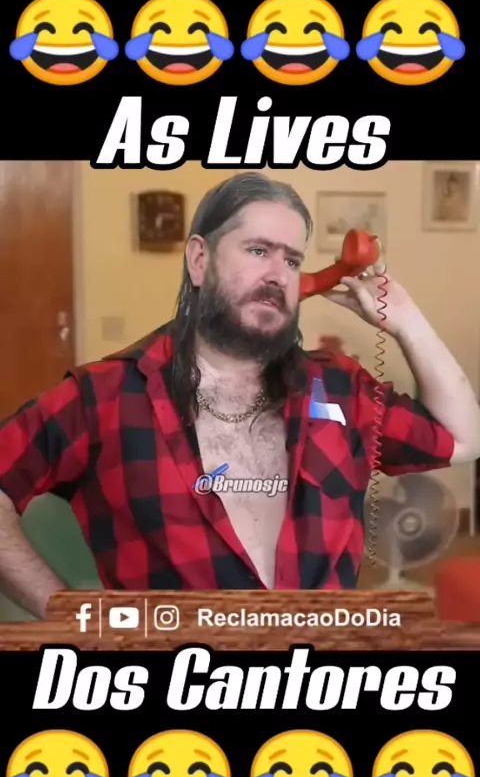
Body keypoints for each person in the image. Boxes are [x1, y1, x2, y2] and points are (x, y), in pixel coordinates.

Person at [0, 172, 479, 618]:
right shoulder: (102, 398)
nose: (278, 274)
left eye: (292, 260)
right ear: (200, 260)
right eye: (258, 250)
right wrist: (72, 618)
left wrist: (407, 321)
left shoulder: (340, 389)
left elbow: (463, 439)